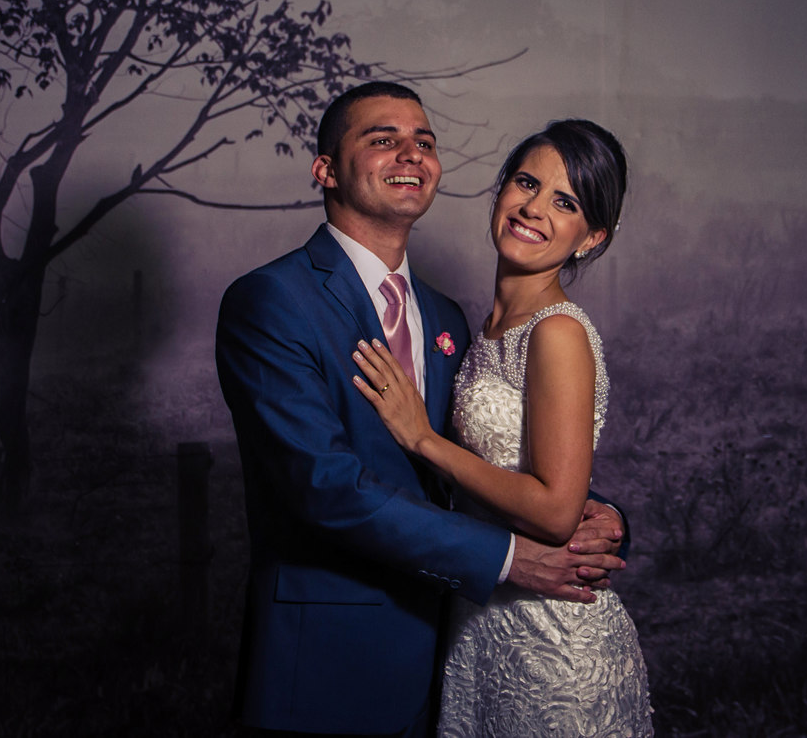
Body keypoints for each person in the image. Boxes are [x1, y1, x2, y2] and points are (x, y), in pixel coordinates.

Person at [215, 83, 628, 737]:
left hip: (450, 655)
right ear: (324, 168)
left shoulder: (445, 318)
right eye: (383, 138)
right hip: (331, 667)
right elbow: (325, 488)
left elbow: (476, 457)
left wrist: (595, 513)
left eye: (426, 142)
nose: (411, 153)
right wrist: (507, 557)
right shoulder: (270, 301)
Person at [351, 119, 652, 736]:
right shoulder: (474, 333)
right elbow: (515, 469)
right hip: (479, 626)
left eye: (565, 203)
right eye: (526, 182)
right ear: (500, 191)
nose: (533, 208)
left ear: (590, 237)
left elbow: (553, 513)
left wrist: (422, 439)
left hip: (553, 649)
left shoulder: (558, 332)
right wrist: (599, 505)